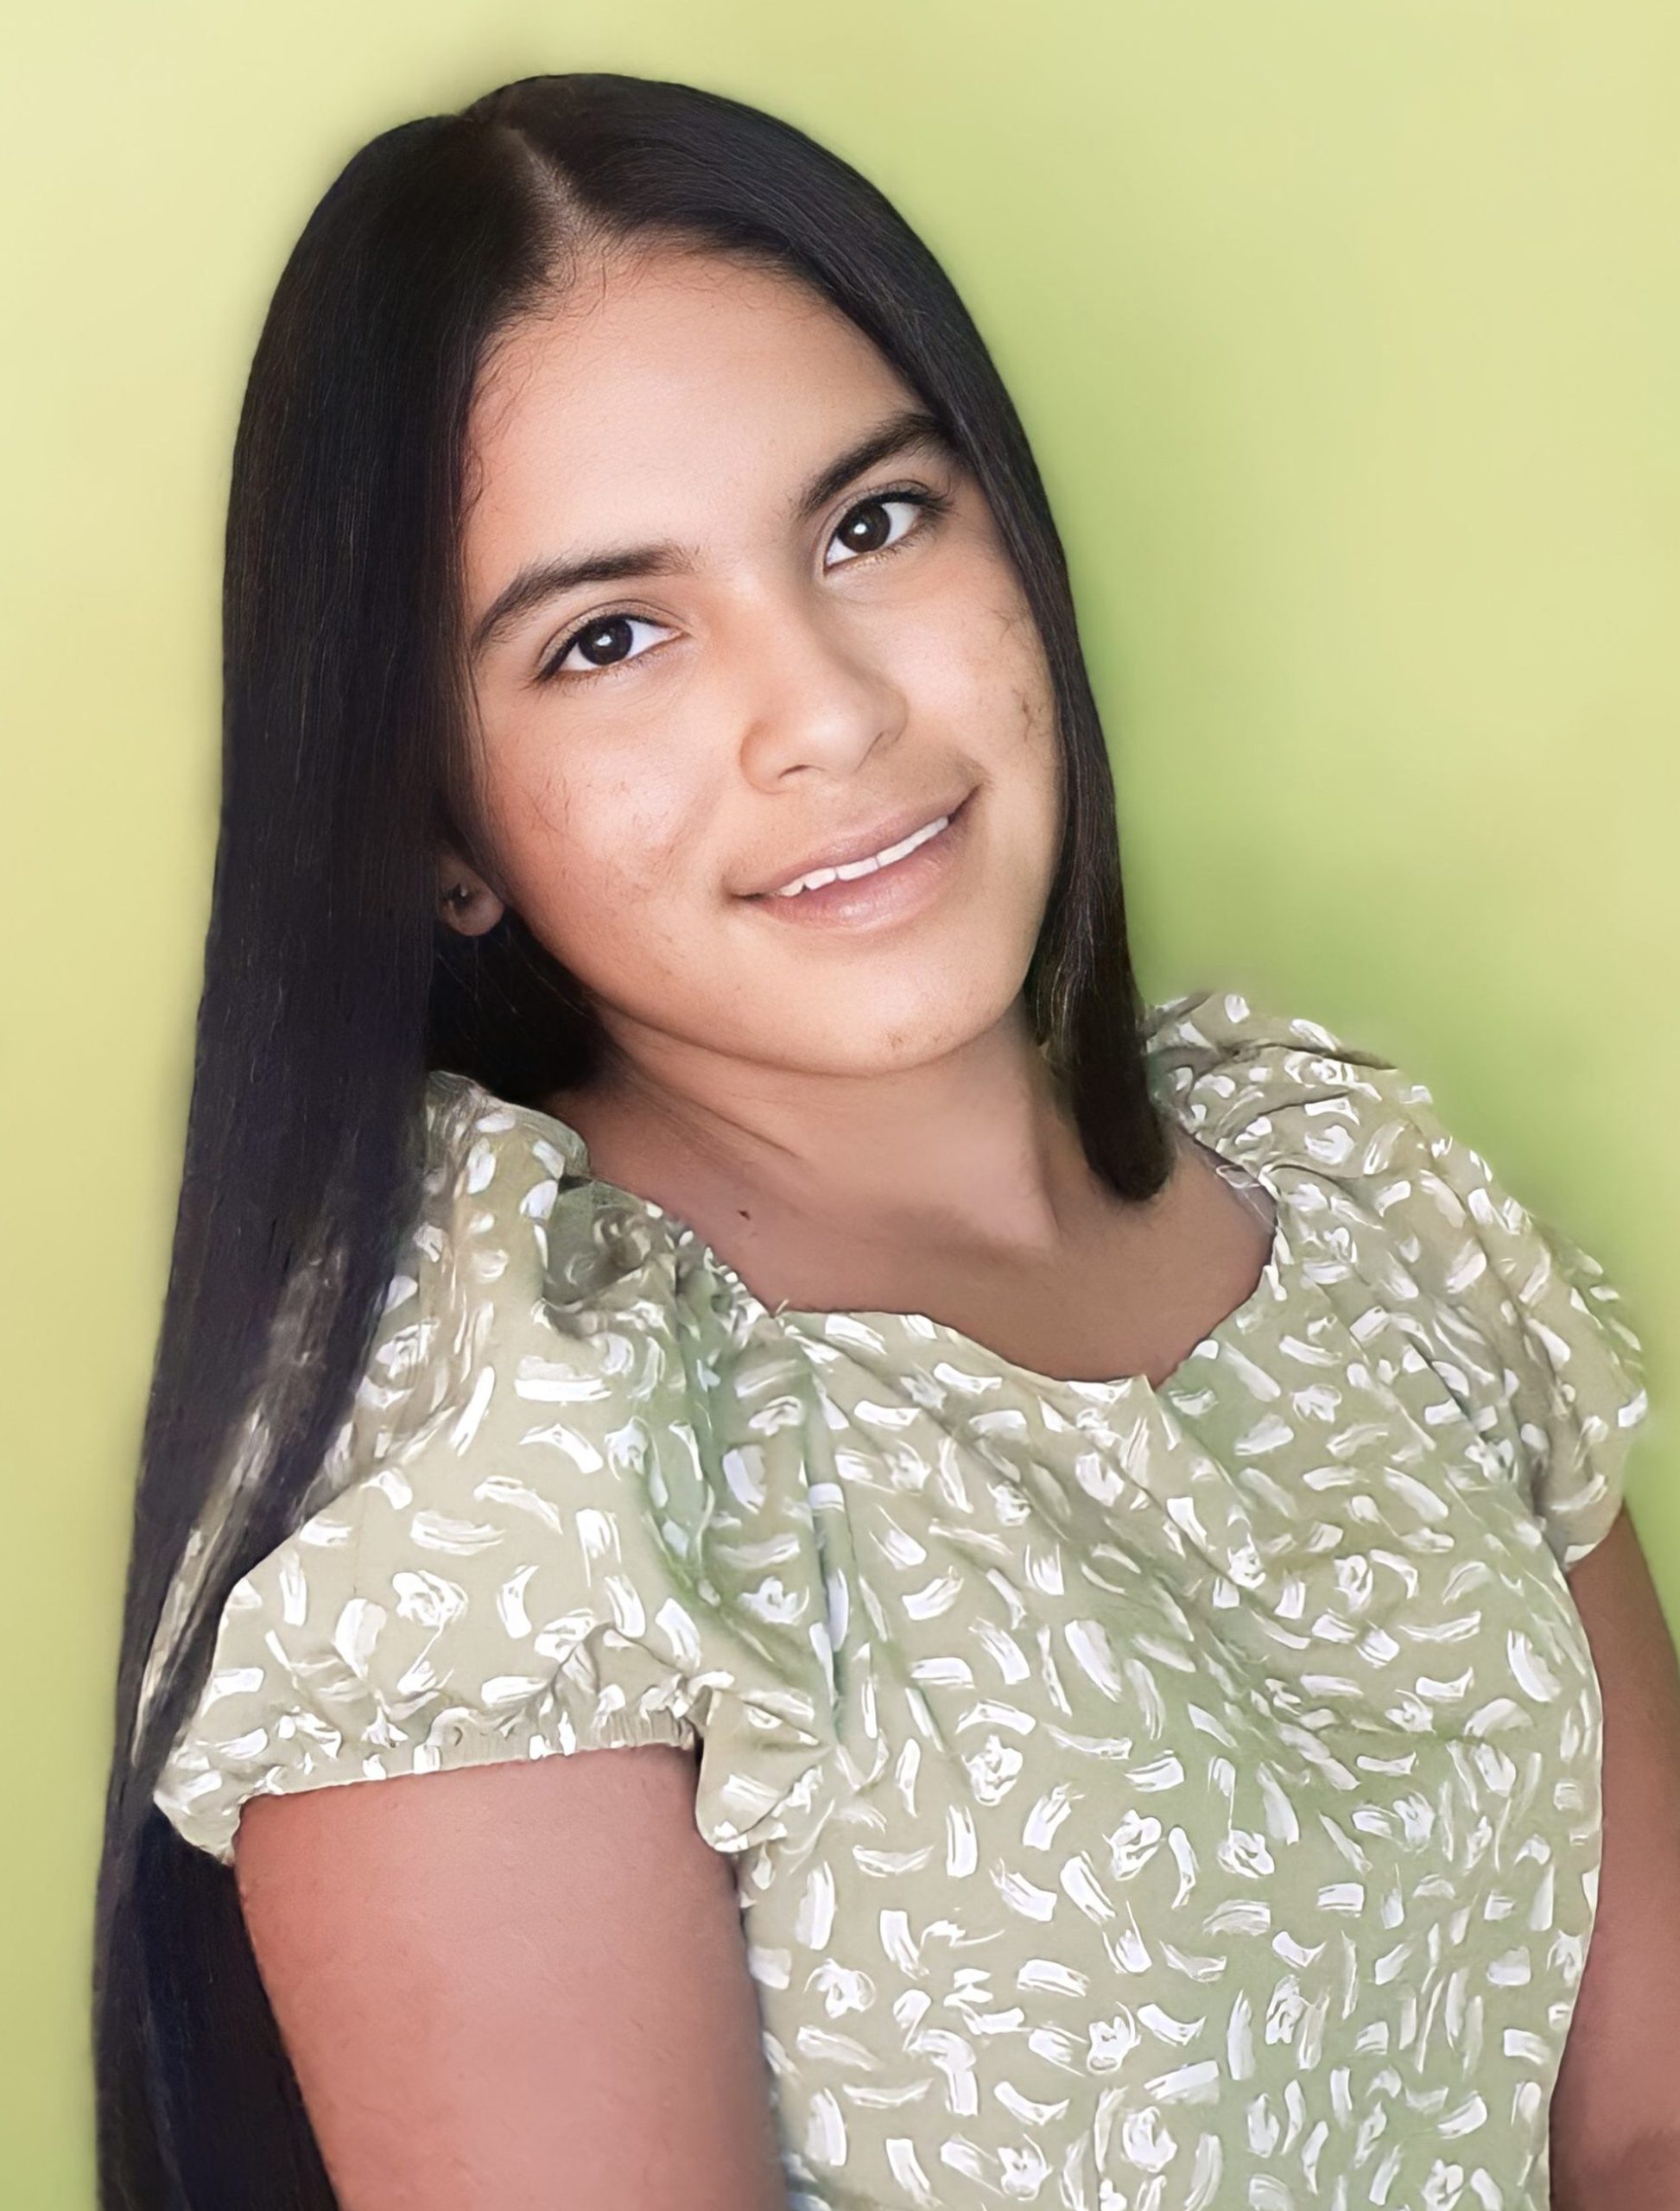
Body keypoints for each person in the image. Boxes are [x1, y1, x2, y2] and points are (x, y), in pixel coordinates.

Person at [94, 68, 1680, 2211]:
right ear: (438, 828)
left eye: (870, 523)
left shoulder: (1361, 1199)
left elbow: (1645, 2119)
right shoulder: (513, 1445)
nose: (827, 711)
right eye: (608, 638)